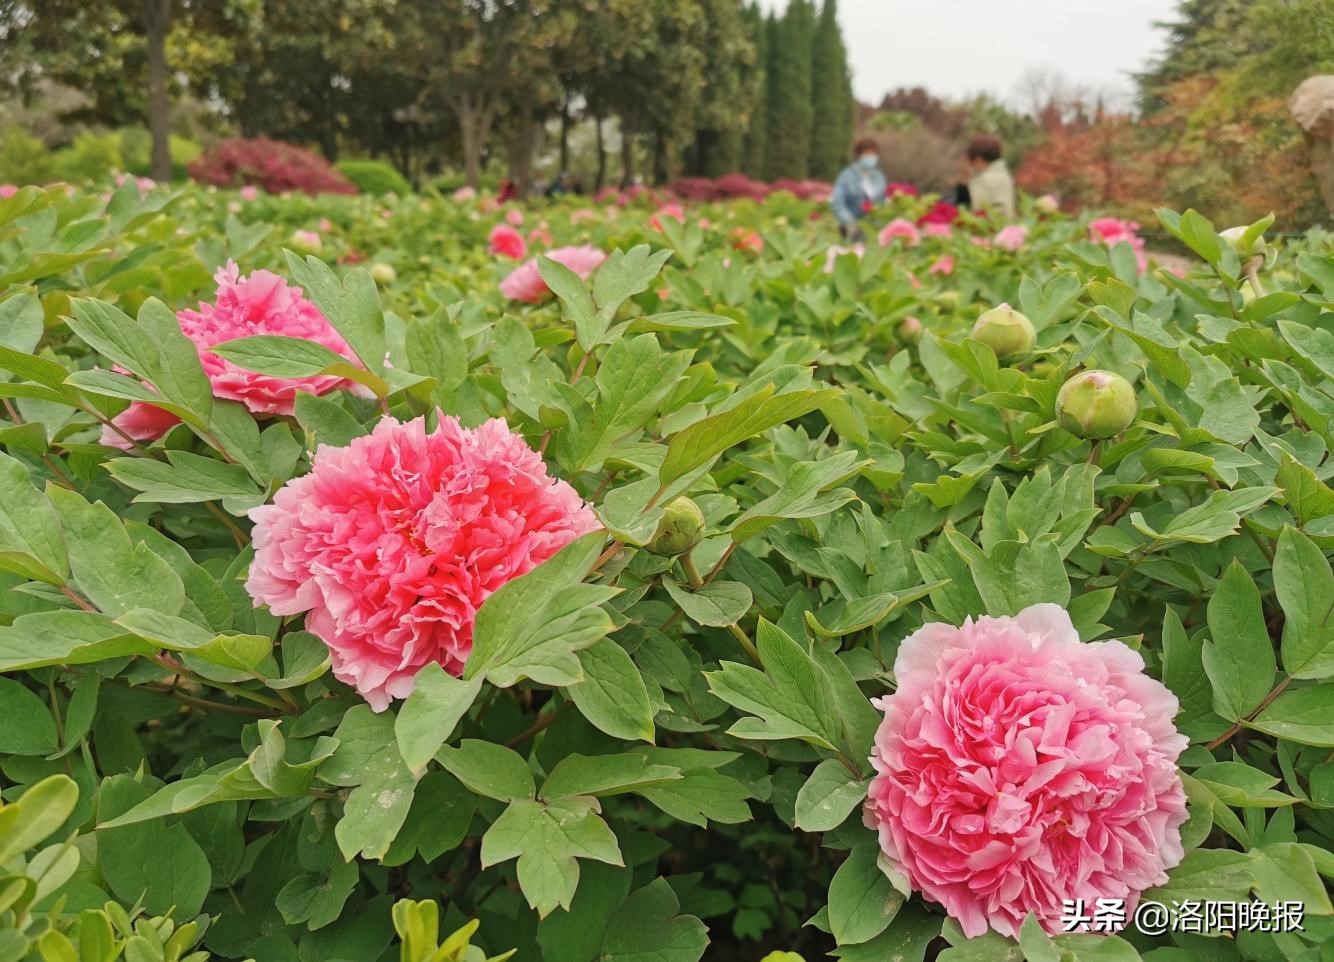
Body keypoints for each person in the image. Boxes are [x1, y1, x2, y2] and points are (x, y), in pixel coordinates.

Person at [831, 138, 886, 242]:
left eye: (873, 155)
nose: (871, 158)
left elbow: (883, 201)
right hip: (850, 227)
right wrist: (850, 221)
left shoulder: (879, 176)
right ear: (858, 156)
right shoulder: (846, 176)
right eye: (867, 154)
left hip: (875, 227)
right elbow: (837, 203)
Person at [964, 135, 1015, 220]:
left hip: (986, 230)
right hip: (1005, 228)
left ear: (978, 159)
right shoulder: (1005, 176)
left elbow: (975, 210)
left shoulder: (982, 181)